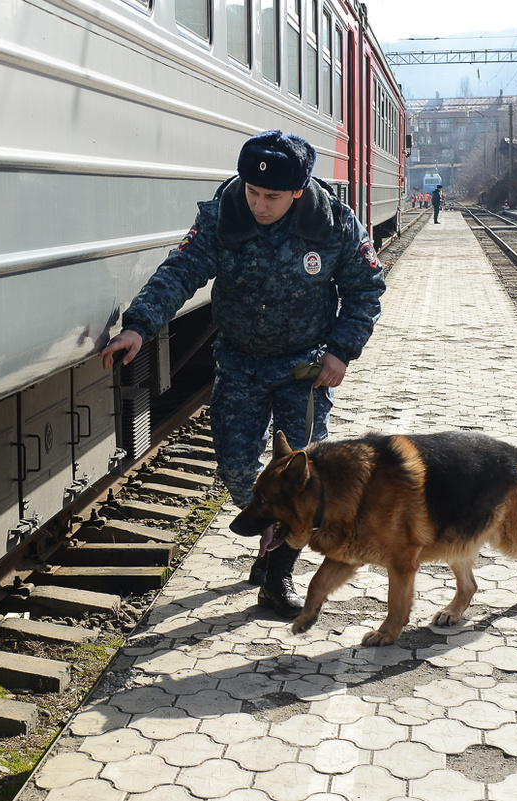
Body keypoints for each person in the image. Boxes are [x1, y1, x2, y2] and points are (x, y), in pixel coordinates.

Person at [100, 130, 386, 618]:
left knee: (302, 482)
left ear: (298, 191)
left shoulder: (333, 223)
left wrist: (341, 352)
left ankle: (277, 578)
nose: (259, 204)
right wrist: (139, 327)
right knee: (236, 470)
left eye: (271, 197)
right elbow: (181, 270)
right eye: (252, 192)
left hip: (305, 370)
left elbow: (366, 289)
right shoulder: (222, 216)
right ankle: (272, 528)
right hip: (240, 365)